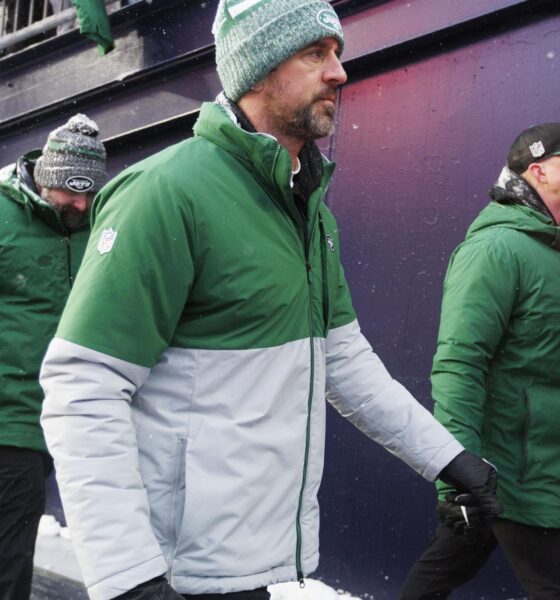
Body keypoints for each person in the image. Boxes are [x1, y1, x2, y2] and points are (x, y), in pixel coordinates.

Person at [39, 2, 500, 600]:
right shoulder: (166, 192)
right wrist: (129, 578)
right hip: (171, 572)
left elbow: (343, 361)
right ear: (255, 69)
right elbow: (84, 384)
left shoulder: (308, 209)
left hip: (249, 565)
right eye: (315, 53)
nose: (338, 72)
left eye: (337, 53)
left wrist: (450, 460)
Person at [399, 123, 560, 600]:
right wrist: (458, 481)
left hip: (539, 469)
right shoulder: (495, 249)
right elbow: (459, 367)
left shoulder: (551, 252)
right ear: (539, 172)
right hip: (516, 478)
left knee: (443, 569)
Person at [0, 113, 107, 600]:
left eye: (89, 193)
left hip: (65, 420)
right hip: (9, 418)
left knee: (14, 551)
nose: (81, 204)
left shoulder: (96, 224)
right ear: (45, 179)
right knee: (8, 561)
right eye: (72, 192)